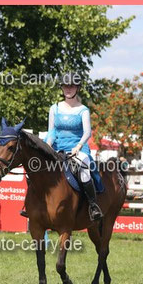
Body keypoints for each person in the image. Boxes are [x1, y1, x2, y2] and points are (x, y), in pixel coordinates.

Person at [44, 72, 102, 221]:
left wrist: (79, 146)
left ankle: (93, 205)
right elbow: (51, 131)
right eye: (65, 86)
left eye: (71, 86)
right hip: (57, 146)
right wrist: (48, 144)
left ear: (77, 88)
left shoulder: (83, 110)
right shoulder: (54, 108)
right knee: (37, 166)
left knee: (84, 168)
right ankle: (32, 205)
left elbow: (87, 132)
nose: (68, 89)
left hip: (77, 146)